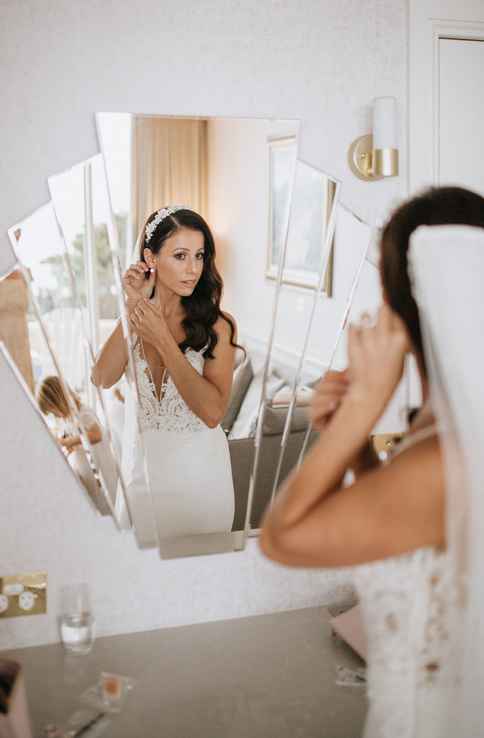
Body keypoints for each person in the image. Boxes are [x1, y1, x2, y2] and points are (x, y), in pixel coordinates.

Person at [260, 186, 484, 738]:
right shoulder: (442, 430)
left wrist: (364, 408)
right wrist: (353, 442)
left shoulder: (446, 456)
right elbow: (410, 532)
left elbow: (280, 538)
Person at [91, 206, 239, 554]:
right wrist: (135, 305)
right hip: (140, 485)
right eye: (180, 256)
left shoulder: (218, 325)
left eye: (199, 256)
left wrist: (161, 338)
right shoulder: (137, 315)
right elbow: (102, 377)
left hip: (201, 488)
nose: (193, 269)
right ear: (150, 258)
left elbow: (212, 412)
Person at [37, 375, 118, 510]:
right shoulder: (69, 420)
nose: (55, 416)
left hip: (101, 472)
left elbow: (96, 435)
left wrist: (69, 441)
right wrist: (71, 446)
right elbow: (79, 441)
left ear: (59, 400)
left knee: (108, 505)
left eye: (53, 412)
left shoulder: (83, 413)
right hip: (89, 475)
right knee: (97, 506)